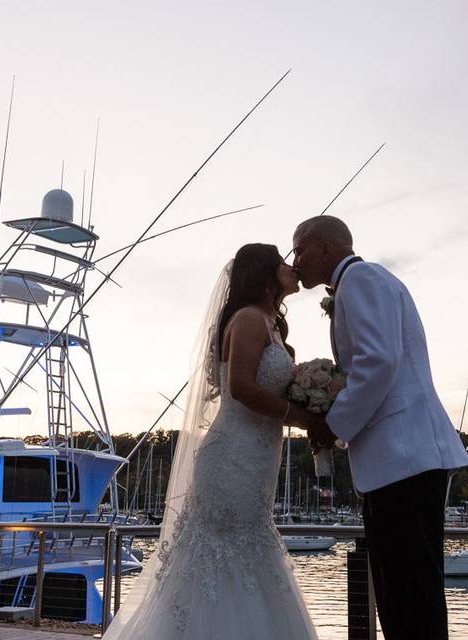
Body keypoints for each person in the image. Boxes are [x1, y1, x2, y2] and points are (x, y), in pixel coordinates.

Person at [102, 243, 321, 639]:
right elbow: (239, 388)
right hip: (231, 457)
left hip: (258, 458)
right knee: (223, 550)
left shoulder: (270, 324)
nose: (292, 267)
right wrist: (301, 417)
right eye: (283, 262)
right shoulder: (250, 319)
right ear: (266, 274)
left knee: (249, 545)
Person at [292, 216, 468, 640]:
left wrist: (331, 426)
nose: (295, 260)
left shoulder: (361, 278)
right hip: (398, 463)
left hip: (403, 460)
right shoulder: (359, 282)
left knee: (409, 598)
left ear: (326, 248)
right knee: (403, 598)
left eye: (300, 249)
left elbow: (378, 362)